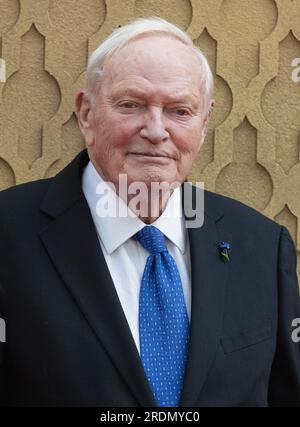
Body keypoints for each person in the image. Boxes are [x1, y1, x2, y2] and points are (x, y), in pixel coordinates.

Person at [0, 17, 299, 407]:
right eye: (131, 105)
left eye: (179, 111)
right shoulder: (7, 233)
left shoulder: (262, 245)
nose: (156, 130)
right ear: (87, 114)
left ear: (205, 123)